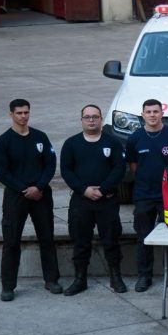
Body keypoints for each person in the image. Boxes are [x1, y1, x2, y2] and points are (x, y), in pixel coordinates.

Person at [0, 99, 61, 301]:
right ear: (11, 115)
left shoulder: (40, 137)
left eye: (26, 112)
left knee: (47, 238)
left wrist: (38, 187)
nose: (23, 116)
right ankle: (8, 287)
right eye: (19, 113)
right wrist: (24, 189)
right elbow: (2, 173)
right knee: (11, 241)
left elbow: (50, 164)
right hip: (16, 196)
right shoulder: (3, 141)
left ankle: (51, 280)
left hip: (41, 195)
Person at [59, 104, 128, 296]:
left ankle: (116, 277)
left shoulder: (112, 142)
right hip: (81, 202)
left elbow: (119, 169)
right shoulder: (71, 144)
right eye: (87, 117)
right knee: (80, 242)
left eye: (95, 117)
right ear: (81, 120)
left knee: (111, 241)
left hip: (107, 201)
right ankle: (80, 279)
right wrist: (84, 190)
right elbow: (66, 171)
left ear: (100, 119)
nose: (91, 120)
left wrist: (103, 189)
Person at [126, 99, 168, 293]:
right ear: (142, 114)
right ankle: (145, 276)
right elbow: (134, 167)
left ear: (162, 113)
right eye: (148, 112)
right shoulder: (135, 138)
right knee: (143, 236)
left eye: (155, 111)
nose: (152, 115)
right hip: (144, 196)